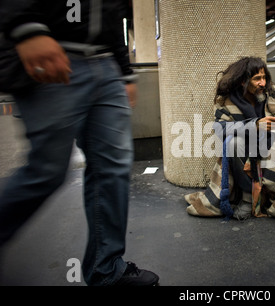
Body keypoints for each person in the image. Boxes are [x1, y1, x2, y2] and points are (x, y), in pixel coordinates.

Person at [0, 1, 159, 286]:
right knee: (46, 171)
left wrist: (124, 69)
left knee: (112, 169)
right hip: (55, 53)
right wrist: (26, 28)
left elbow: (114, 14)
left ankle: (106, 268)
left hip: (106, 64)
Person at [185, 56, 275, 220]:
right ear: (243, 81)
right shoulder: (227, 102)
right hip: (249, 159)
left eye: (264, 77)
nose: (263, 83)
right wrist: (254, 125)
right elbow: (220, 129)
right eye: (257, 79)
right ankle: (249, 198)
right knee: (233, 143)